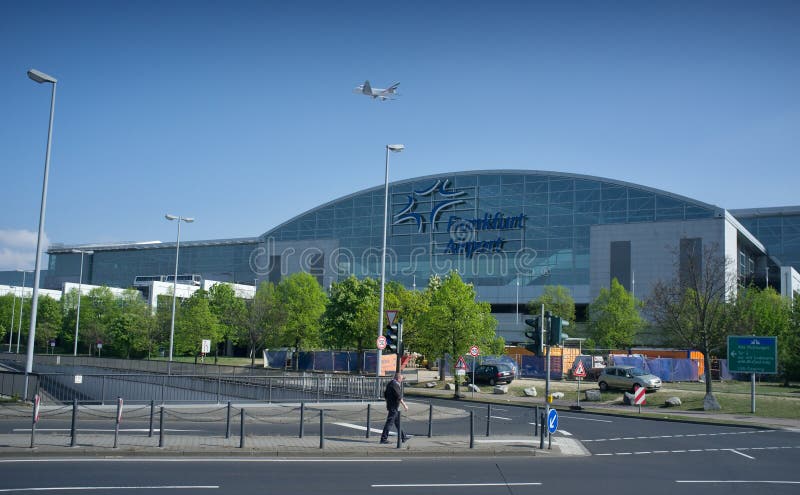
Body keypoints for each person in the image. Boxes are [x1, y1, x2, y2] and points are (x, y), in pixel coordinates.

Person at [380, 372, 409, 444]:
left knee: (397, 423)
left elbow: (385, 394)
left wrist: (388, 402)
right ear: (398, 378)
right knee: (389, 423)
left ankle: (403, 437)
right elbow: (399, 396)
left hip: (392, 406)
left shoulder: (390, 383)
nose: (402, 380)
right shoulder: (395, 385)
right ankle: (383, 439)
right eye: (402, 379)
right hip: (393, 407)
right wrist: (405, 405)